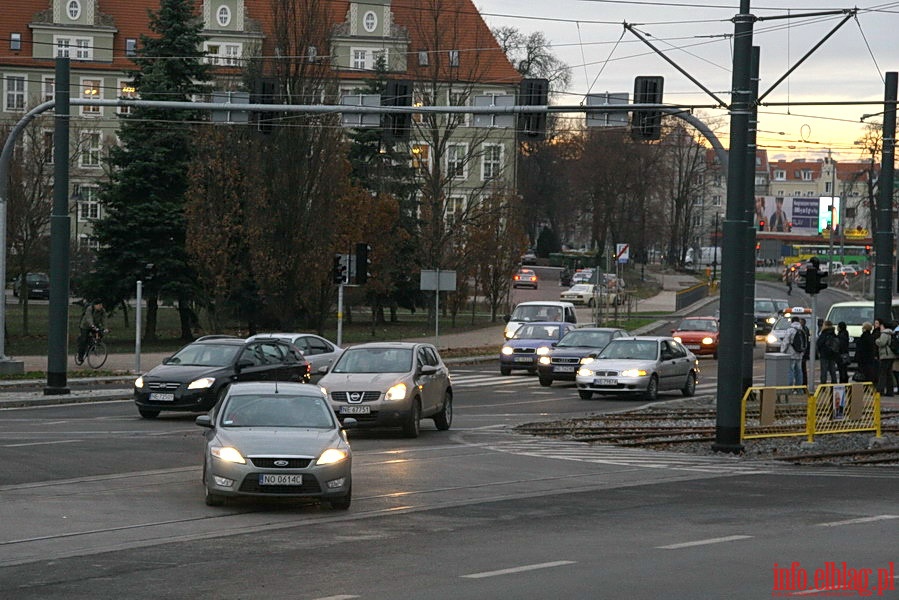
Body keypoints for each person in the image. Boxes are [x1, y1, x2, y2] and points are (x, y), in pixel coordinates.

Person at [76, 299, 107, 364]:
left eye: (101, 305)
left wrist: (105, 328)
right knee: (84, 340)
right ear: (95, 305)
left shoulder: (102, 311)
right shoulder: (90, 309)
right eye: (99, 305)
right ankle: (80, 356)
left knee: (100, 334)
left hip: (95, 325)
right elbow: (89, 318)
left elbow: (104, 319)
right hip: (85, 325)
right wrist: (92, 325)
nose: (101, 306)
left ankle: (92, 345)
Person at [780, 316, 806, 387]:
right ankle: (799, 388)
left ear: (792, 321)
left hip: (791, 353)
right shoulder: (802, 330)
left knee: (790, 371)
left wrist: (782, 352)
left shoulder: (790, 330)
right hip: (799, 354)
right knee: (799, 371)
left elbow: (786, 342)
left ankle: (789, 387)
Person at [873, 319, 895, 396]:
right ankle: (890, 391)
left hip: (885, 355)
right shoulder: (891, 333)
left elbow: (881, 343)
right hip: (891, 355)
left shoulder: (884, 333)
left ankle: (880, 390)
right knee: (889, 374)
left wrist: (876, 340)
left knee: (883, 373)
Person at [799, 318, 811, 385]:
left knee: (801, 369)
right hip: (805, 352)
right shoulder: (806, 329)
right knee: (803, 369)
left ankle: (802, 384)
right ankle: (804, 384)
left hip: (802, 353)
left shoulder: (802, 331)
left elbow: (804, 342)